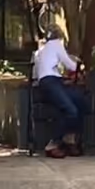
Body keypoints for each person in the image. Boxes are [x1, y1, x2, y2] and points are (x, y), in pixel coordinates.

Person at [33, 25, 87, 158]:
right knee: (71, 110)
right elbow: (70, 64)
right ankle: (54, 143)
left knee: (78, 100)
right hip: (51, 82)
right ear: (60, 36)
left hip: (48, 82)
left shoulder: (42, 50)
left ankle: (70, 138)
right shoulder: (56, 44)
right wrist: (80, 67)